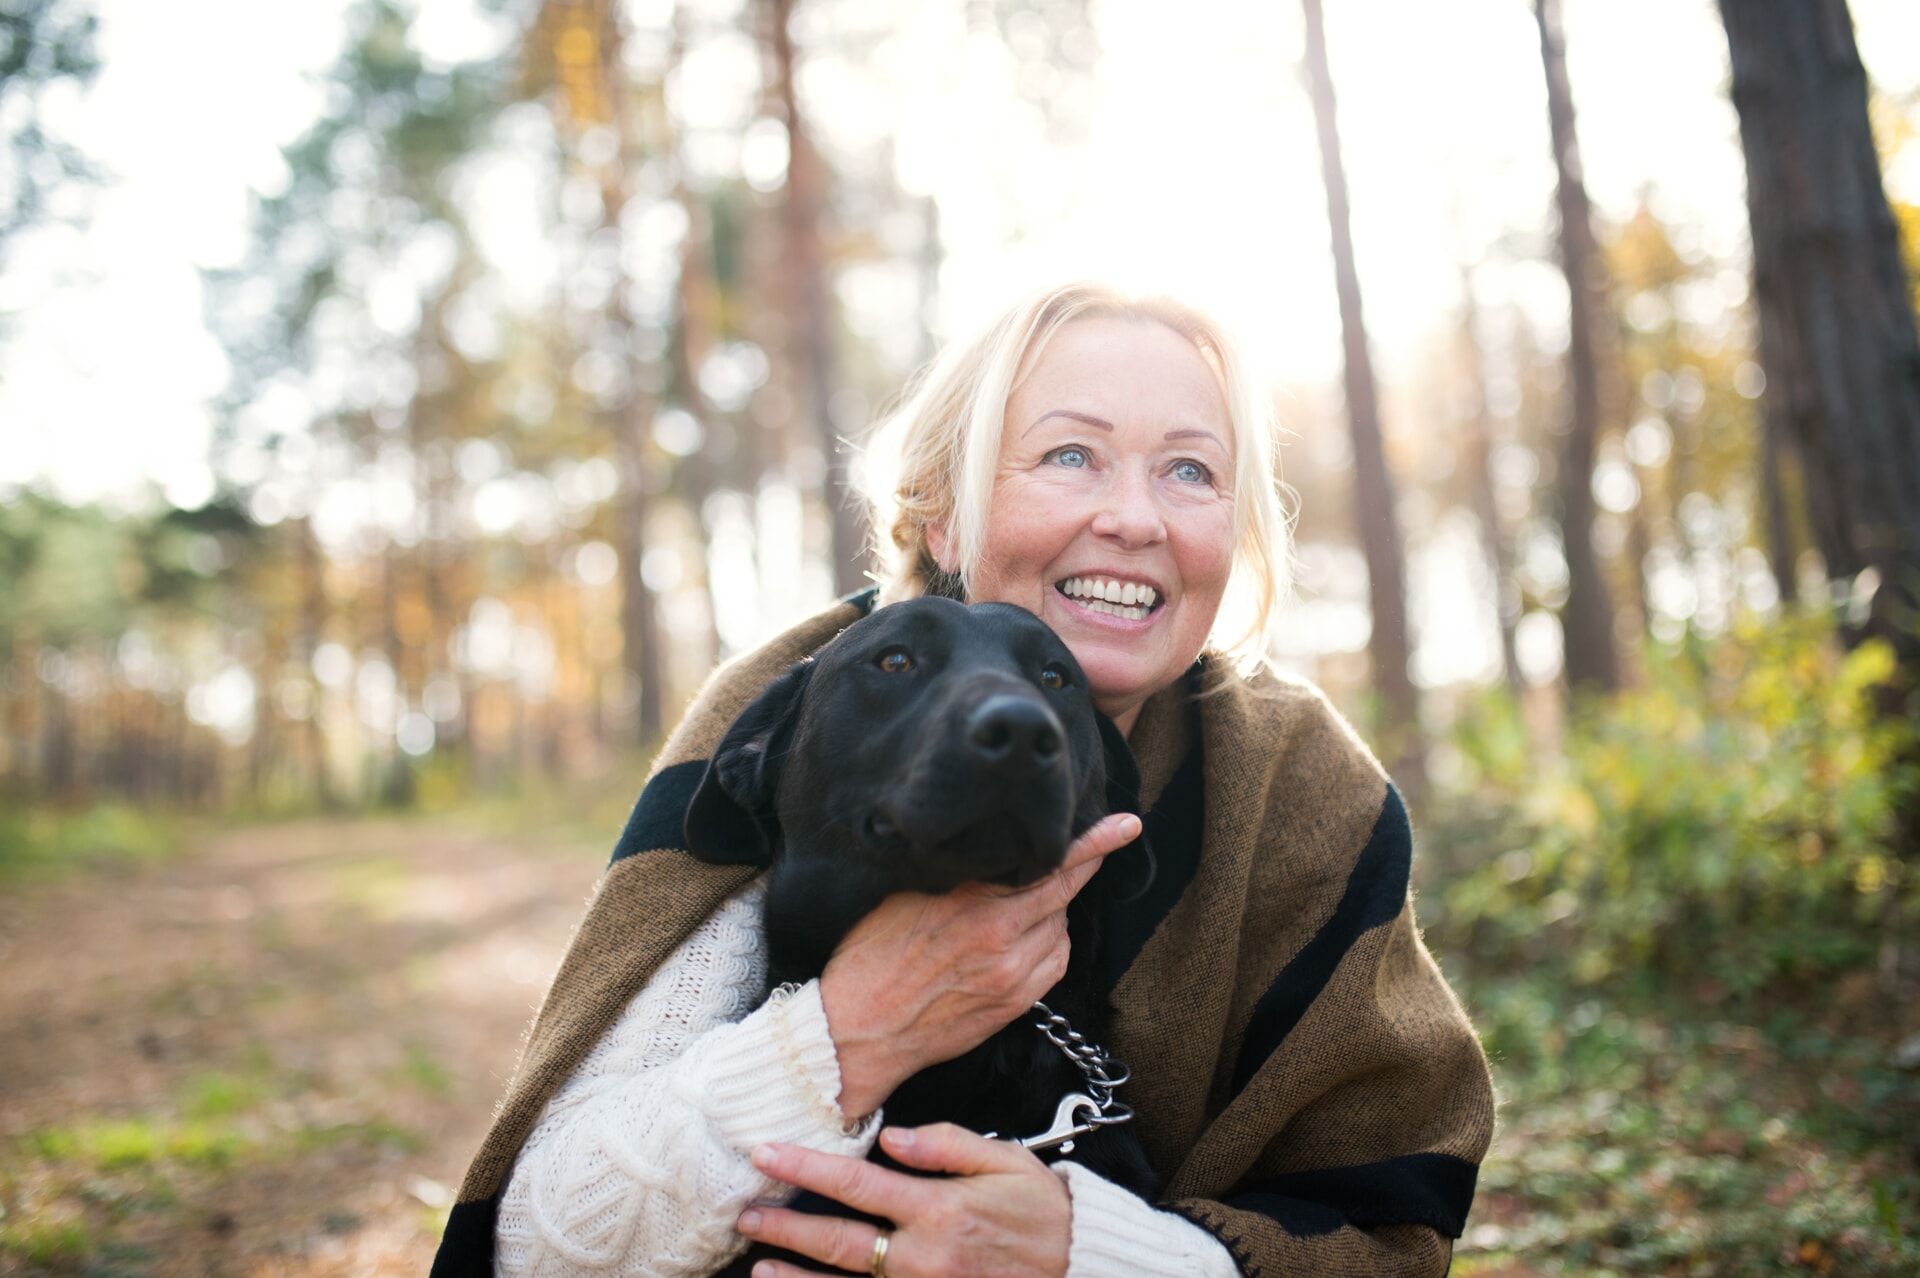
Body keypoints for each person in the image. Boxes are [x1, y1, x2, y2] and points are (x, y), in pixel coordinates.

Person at [431, 282, 1494, 1278]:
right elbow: (542, 1242)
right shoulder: (803, 711)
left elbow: (1391, 1236)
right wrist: (852, 1030)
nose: (1136, 518)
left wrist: (1087, 1254)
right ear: (943, 518)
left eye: (1190, 471)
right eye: (1071, 455)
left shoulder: (1304, 794)